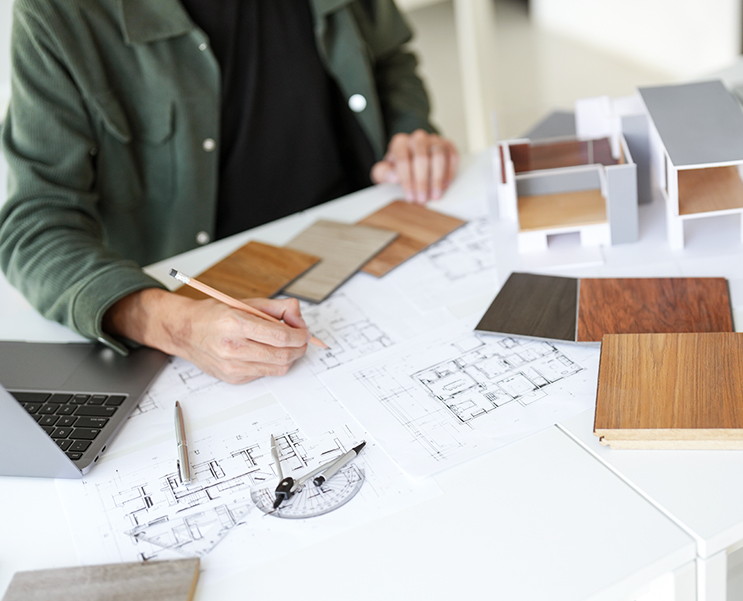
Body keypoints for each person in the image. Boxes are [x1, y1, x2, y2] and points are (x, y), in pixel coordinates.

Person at [0, 0, 459, 384]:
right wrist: (175, 324)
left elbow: (391, 58)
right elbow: (35, 229)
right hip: (208, 300)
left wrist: (409, 133)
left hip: (369, 237)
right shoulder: (58, 12)